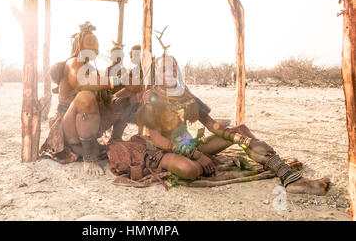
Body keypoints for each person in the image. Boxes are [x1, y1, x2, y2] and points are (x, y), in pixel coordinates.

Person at [135, 55, 331, 195]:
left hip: (189, 145)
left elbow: (212, 126)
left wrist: (238, 138)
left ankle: (289, 177)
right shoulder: (152, 98)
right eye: (163, 69)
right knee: (191, 170)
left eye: (173, 67)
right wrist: (196, 156)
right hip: (162, 152)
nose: (169, 72)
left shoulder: (186, 94)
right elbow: (157, 139)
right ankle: (191, 163)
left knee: (241, 130)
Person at [40, 22, 130, 175]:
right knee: (85, 97)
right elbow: (82, 81)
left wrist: (126, 89)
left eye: (96, 43)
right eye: (90, 43)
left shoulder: (90, 66)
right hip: (68, 126)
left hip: (87, 123)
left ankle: (115, 140)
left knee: (125, 99)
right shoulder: (73, 61)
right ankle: (89, 157)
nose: (95, 47)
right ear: (78, 45)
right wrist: (113, 81)